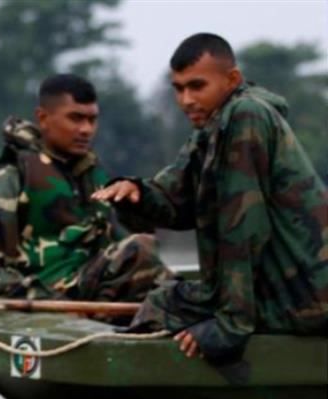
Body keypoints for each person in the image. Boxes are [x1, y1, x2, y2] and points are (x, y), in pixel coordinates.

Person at [93, 33, 328, 361]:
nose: (186, 100)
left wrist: (231, 325)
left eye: (196, 86)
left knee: (163, 307)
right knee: (163, 300)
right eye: (178, 89)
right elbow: (174, 199)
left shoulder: (247, 115)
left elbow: (244, 226)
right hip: (281, 290)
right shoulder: (210, 131)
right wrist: (136, 193)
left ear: (232, 79)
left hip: (305, 297)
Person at [0, 73, 172, 303]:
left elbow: (120, 242)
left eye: (92, 120)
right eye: (75, 119)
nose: (86, 129)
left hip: (92, 289)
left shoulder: (90, 173)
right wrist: (42, 296)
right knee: (139, 249)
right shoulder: (9, 174)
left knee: (150, 258)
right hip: (47, 295)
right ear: (43, 118)